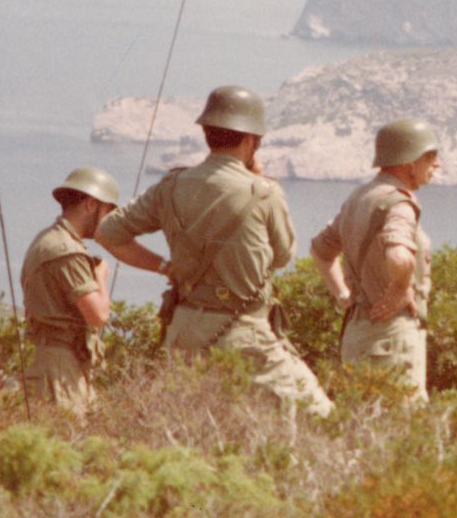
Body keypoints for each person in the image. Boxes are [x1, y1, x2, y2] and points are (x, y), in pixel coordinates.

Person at [97, 85, 333, 417]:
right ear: (251, 140)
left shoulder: (172, 185)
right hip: (244, 332)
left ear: (207, 133)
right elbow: (282, 257)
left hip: (183, 329)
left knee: (193, 427)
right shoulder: (264, 192)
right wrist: (262, 181)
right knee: (320, 416)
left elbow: (108, 233)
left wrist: (165, 267)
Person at [311, 118, 440, 405]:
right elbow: (399, 255)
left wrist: (343, 295)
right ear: (409, 162)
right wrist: (401, 289)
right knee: (402, 432)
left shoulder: (360, 196)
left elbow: (321, 251)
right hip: (391, 338)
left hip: (357, 336)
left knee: (361, 426)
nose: (437, 165)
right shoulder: (399, 203)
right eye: (430, 157)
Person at [20, 167, 119, 417]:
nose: (108, 221)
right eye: (107, 211)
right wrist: (100, 278)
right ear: (90, 204)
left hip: (54, 359)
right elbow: (98, 316)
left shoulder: (48, 239)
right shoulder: (66, 250)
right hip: (58, 367)